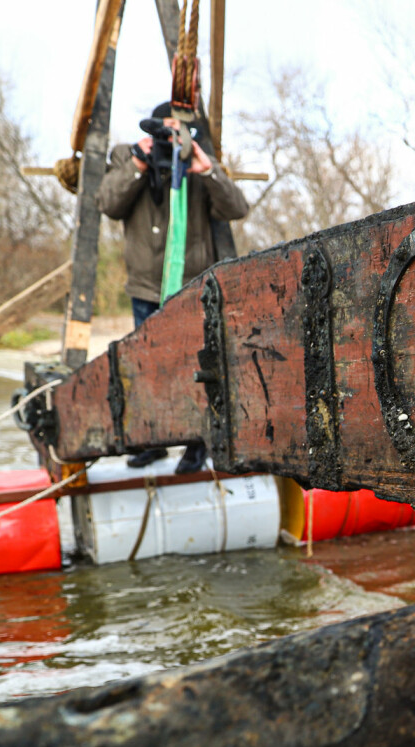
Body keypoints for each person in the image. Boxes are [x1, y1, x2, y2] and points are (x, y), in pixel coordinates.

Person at [98, 101, 248, 472]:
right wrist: (137, 165)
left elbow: (237, 209)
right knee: (147, 367)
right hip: (147, 286)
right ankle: (153, 441)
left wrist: (207, 170)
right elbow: (109, 203)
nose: (170, 137)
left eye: (178, 131)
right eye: (164, 129)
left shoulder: (198, 161)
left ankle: (197, 443)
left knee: (195, 369)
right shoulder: (126, 156)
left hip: (191, 286)